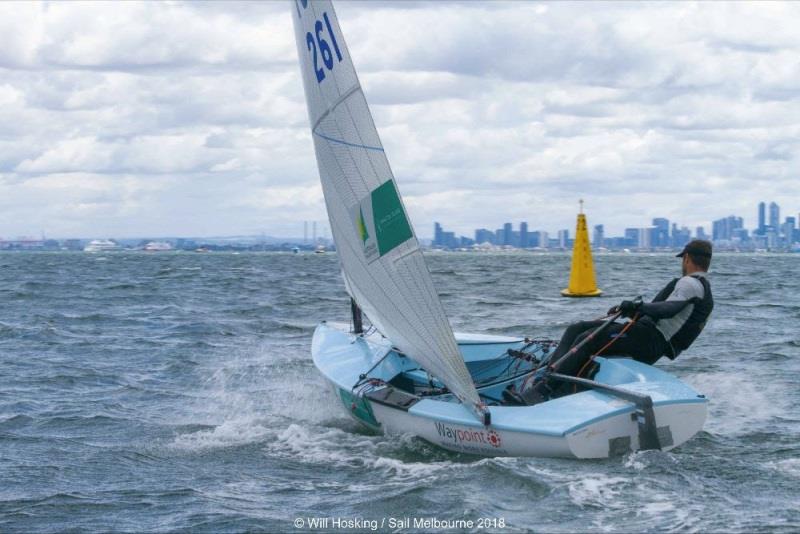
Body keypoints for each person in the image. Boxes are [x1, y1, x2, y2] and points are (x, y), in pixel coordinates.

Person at [517, 239, 714, 405]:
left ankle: (544, 391)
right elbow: (658, 311)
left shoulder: (690, 283)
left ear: (687, 258)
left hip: (651, 341)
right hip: (645, 335)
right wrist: (627, 311)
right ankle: (547, 383)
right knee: (576, 328)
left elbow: (668, 309)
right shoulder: (701, 287)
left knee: (588, 338)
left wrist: (638, 306)